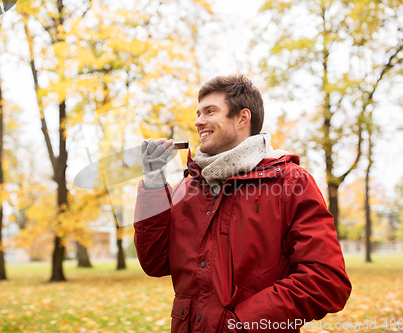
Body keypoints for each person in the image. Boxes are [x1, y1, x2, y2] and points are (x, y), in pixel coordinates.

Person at [134, 75, 351, 333]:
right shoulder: (188, 186)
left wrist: (240, 324)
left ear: (242, 118)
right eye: (198, 113)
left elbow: (327, 282)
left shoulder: (292, 182)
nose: (198, 121)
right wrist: (153, 181)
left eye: (210, 111)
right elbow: (155, 262)